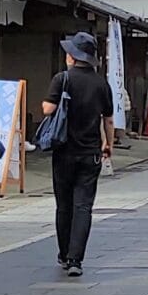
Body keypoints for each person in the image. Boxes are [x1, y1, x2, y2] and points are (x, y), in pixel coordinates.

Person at [45, 31, 115, 277]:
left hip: (64, 151)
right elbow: (108, 119)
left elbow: (47, 109)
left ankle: (64, 255)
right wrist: (109, 144)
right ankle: (76, 260)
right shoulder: (101, 83)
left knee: (63, 205)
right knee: (83, 206)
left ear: (73, 56)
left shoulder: (61, 79)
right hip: (90, 152)